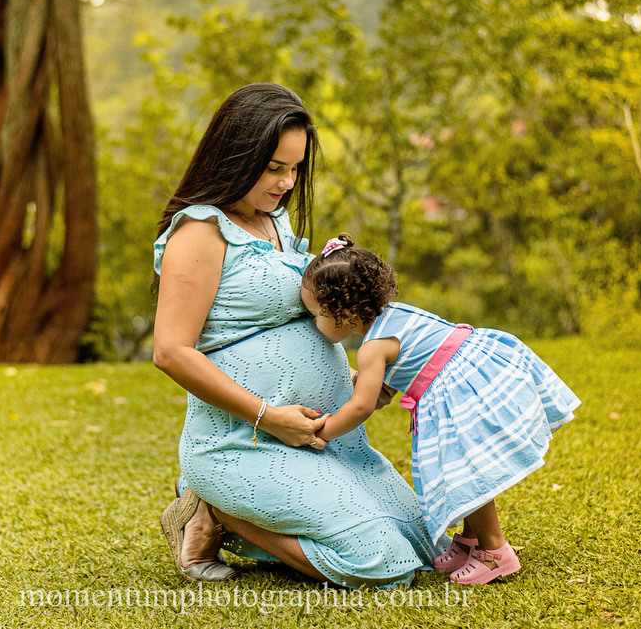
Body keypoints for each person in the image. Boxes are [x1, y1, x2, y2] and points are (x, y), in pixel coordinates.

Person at [153, 83, 436, 589]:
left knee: (423, 544)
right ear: (235, 157)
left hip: (325, 441)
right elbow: (171, 352)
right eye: (274, 168)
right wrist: (270, 416)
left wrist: (355, 378)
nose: (287, 182)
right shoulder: (199, 234)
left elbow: (296, 321)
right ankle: (214, 509)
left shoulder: (274, 221)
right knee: (382, 567)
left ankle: (226, 511)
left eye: (295, 168)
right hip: (244, 440)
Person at [300, 233, 581, 585]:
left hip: (455, 391)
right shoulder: (395, 315)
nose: (313, 323)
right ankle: (472, 540)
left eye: (315, 314)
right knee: (462, 470)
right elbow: (401, 372)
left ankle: (495, 553)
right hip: (474, 368)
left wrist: (321, 433)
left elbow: (361, 406)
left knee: (465, 472)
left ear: (342, 312)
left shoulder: (371, 348)